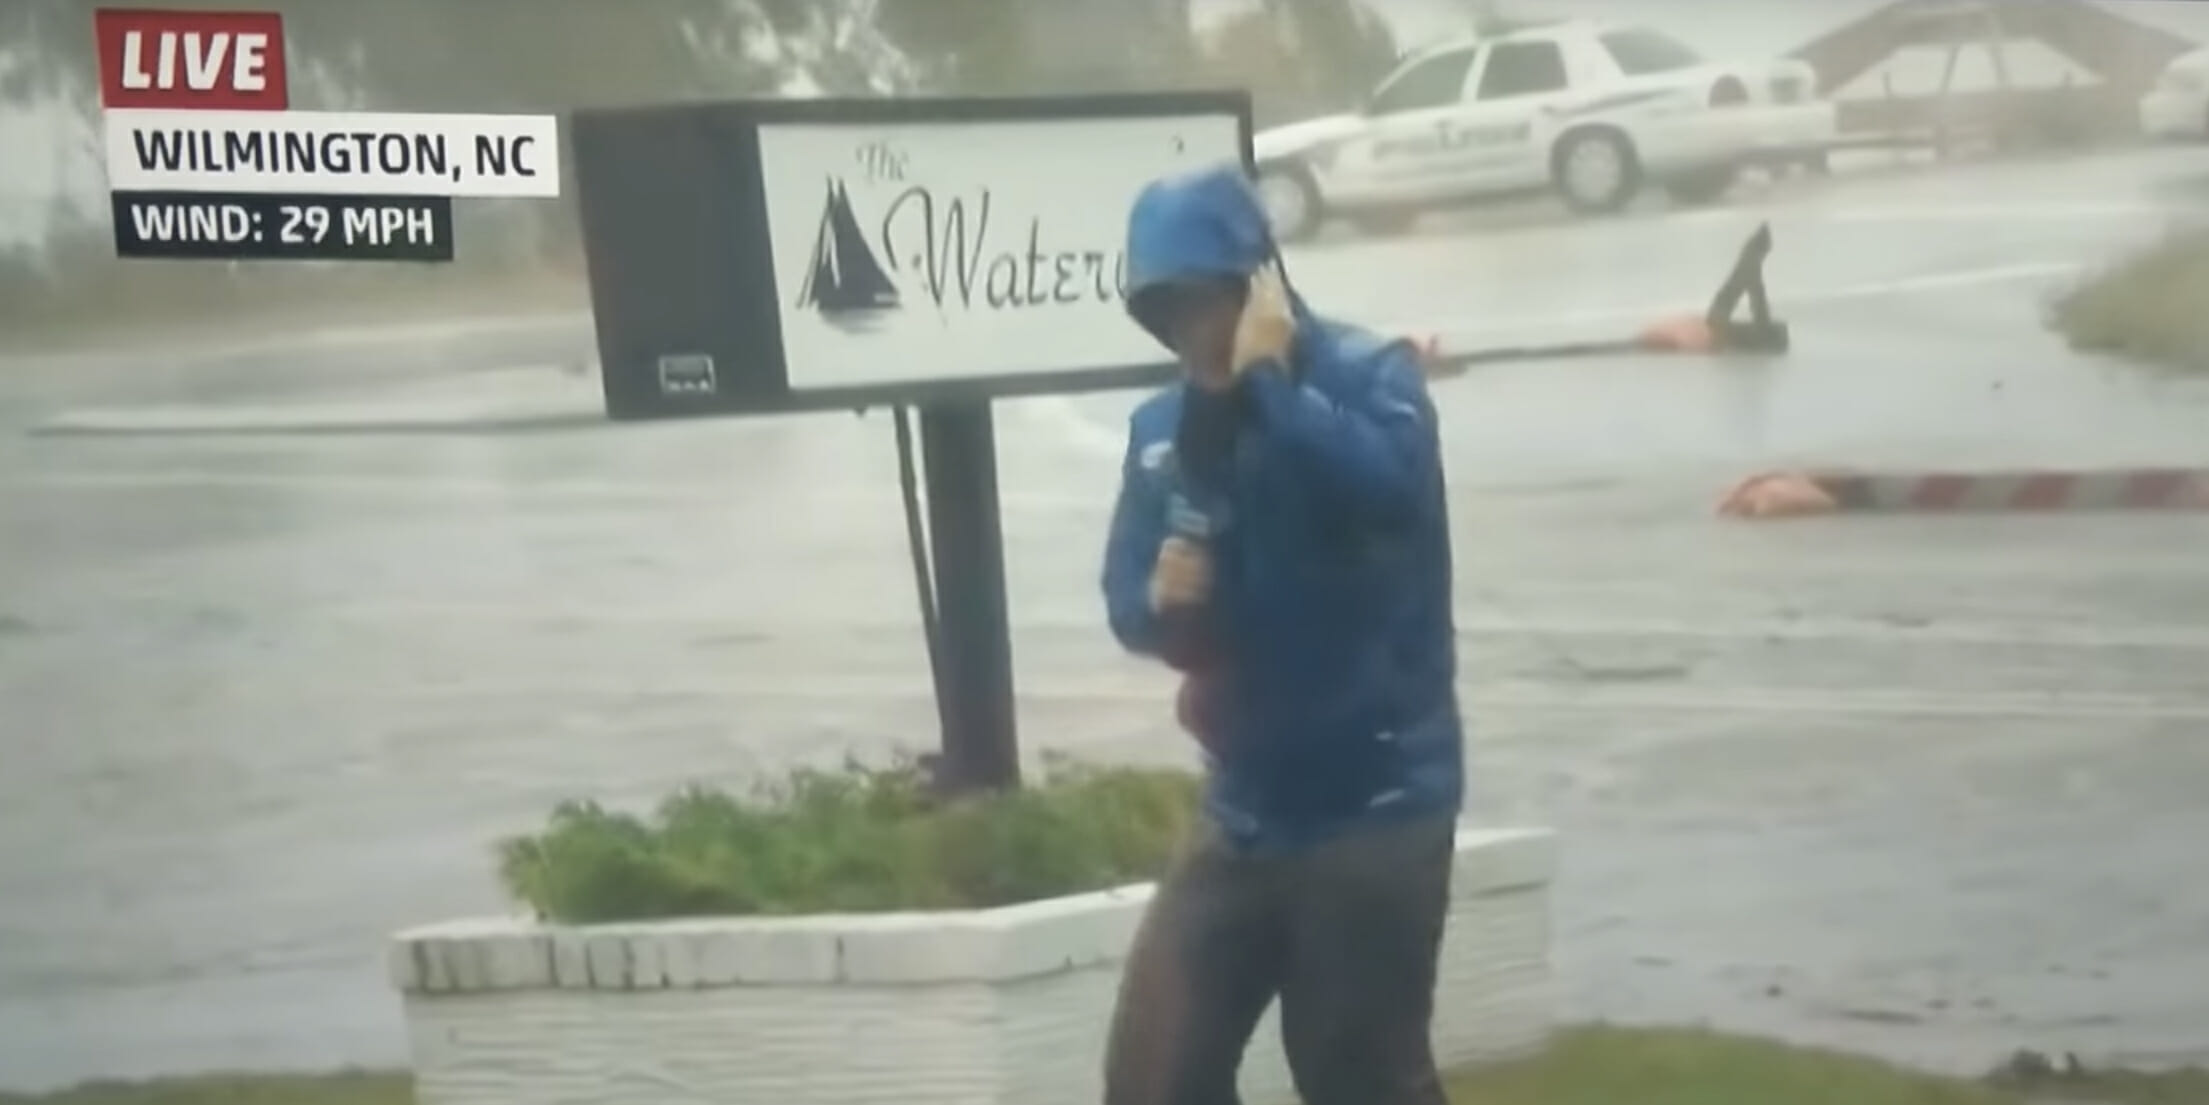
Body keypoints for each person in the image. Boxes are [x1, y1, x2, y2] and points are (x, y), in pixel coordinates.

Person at [1099, 161, 1463, 1105]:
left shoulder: (1372, 380)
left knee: (1357, 1078)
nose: (1190, 332)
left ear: (1258, 285)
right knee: (1153, 1076)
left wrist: (1269, 384)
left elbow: (1387, 491)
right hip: (1245, 807)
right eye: (1165, 314)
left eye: (1202, 303)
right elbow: (1129, 605)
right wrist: (1159, 600)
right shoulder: (1161, 434)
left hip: (1377, 803)